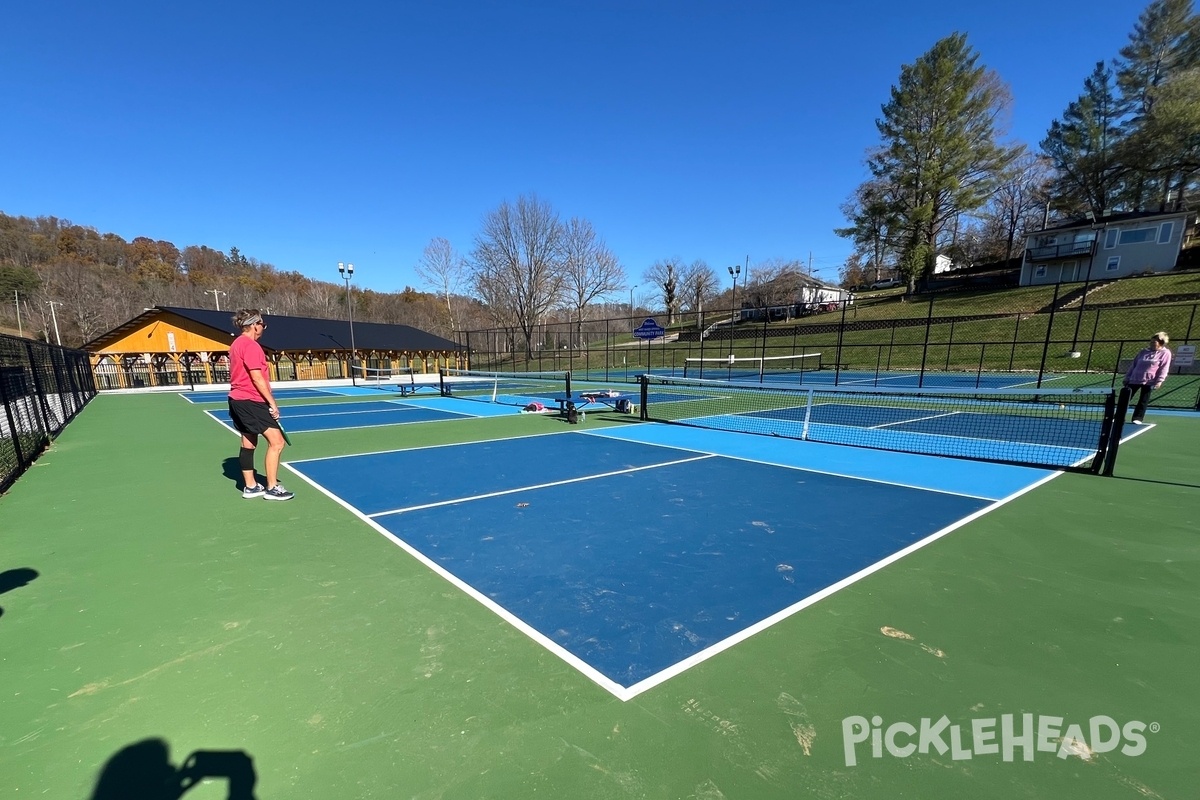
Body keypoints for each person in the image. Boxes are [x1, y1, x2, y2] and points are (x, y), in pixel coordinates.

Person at [227, 309, 293, 500]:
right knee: (277, 442)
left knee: (248, 442)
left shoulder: (236, 344)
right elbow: (257, 378)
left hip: (237, 400)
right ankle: (272, 487)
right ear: (254, 325)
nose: (263, 328)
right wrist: (272, 403)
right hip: (251, 400)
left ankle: (250, 486)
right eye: (262, 324)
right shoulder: (251, 346)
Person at [1123, 331, 1173, 425]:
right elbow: (1134, 365)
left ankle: (1137, 418)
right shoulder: (1143, 352)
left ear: (1161, 343)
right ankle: (1118, 417)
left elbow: (1164, 368)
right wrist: (1127, 377)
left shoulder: (1166, 353)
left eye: (1154, 342)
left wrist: (1159, 381)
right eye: (1151, 342)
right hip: (1134, 379)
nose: (1152, 344)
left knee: (1143, 400)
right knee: (1125, 399)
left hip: (1149, 381)